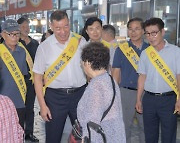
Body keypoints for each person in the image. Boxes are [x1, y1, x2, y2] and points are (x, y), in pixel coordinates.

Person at [33, 10, 87, 143]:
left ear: (70, 24)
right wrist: (42, 105)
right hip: (55, 97)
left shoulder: (80, 41)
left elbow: (90, 68)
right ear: (51, 26)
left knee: (85, 135)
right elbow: (37, 78)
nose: (63, 32)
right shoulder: (44, 47)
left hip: (80, 94)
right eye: (57, 28)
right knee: (53, 136)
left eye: (66, 26)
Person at [136, 17, 180, 143]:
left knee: (169, 134)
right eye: (148, 34)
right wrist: (138, 98)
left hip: (169, 99)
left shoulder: (176, 52)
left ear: (162, 32)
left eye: (154, 33)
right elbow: (142, 76)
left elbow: (179, 76)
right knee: (149, 135)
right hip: (149, 99)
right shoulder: (146, 53)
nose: (151, 37)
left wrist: (179, 99)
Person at [77, 42, 126, 143]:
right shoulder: (109, 79)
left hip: (101, 138)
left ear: (88, 63)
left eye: (82, 61)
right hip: (113, 135)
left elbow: (92, 123)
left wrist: (86, 139)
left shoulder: (96, 86)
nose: (81, 64)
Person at [112, 17, 149, 143]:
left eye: (137, 29)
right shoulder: (122, 49)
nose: (133, 32)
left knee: (145, 126)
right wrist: (115, 93)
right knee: (123, 126)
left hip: (145, 93)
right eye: (130, 29)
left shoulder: (150, 50)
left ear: (143, 31)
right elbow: (116, 72)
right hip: (125, 92)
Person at [0, 19, 28, 129]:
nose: (15, 37)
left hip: (19, 100)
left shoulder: (22, 51)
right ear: (2, 34)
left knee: (18, 131)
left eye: (17, 34)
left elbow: (23, 74)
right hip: (2, 101)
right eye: (11, 34)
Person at [17, 17, 39, 142]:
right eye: (23, 26)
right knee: (20, 108)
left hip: (31, 81)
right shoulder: (15, 43)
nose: (26, 29)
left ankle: (29, 132)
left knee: (30, 107)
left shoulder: (35, 43)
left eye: (27, 26)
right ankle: (19, 133)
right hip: (19, 80)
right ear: (18, 28)